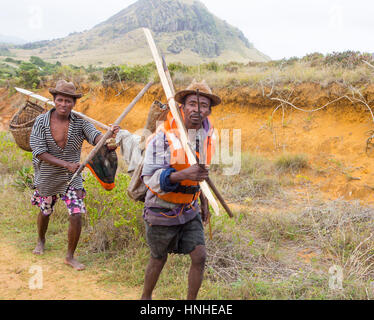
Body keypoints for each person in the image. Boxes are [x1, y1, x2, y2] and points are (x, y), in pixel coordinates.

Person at [140, 80, 221, 300]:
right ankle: (145, 298)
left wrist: (203, 199)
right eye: (192, 103)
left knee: (200, 256)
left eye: (203, 105)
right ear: (182, 107)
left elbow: (201, 172)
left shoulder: (207, 136)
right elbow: (150, 178)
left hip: (188, 208)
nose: (197, 109)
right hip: (161, 207)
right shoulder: (163, 136)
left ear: (209, 110)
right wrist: (184, 175)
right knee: (158, 258)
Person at [30, 80, 120, 271]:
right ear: (54, 100)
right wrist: (66, 164)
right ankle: (41, 239)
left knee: (77, 213)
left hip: (73, 176)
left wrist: (109, 138)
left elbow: (96, 137)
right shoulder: (41, 121)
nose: (64, 104)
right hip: (48, 174)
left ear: (74, 103)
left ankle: (70, 256)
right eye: (60, 100)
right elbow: (38, 151)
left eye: (68, 101)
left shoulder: (80, 123)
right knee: (45, 210)